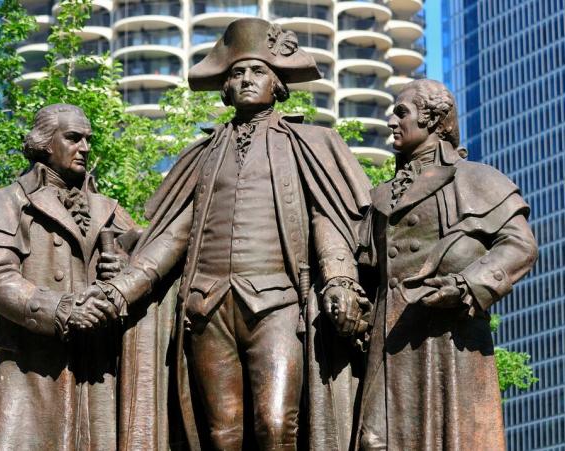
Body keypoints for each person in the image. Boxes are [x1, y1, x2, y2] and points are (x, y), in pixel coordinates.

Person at [101, 18, 373, 450]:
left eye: (258, 71)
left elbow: (329, 219)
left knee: (277, 423)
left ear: (278, 83)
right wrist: (122, 289)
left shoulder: (310, 144)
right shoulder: (202, 154)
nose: (246, 79)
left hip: (278, 304)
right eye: (237, 72)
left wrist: (340, 280)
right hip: (207, 306)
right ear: (225, 87)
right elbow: (173, 235)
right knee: (221, 434)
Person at [355, 80, 538, 450]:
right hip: (386, 340)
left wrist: (468, 286)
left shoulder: (477, 178)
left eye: (401, 112)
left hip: (448, 337)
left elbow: (520, 245)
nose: (391, 121)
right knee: (373, 439)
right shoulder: (377, 198)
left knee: (452, 436)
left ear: (433, 119)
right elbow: (364, 268)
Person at [0, 104, 138, 450]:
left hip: (98, 371)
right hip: (32, 369)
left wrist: (125, 273)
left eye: (88, 140)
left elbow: (149, 269)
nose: (84, 147)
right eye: (72, 138)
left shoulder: (108, 209)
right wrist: (61, 309)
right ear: (44, 143)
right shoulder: (6, 203)